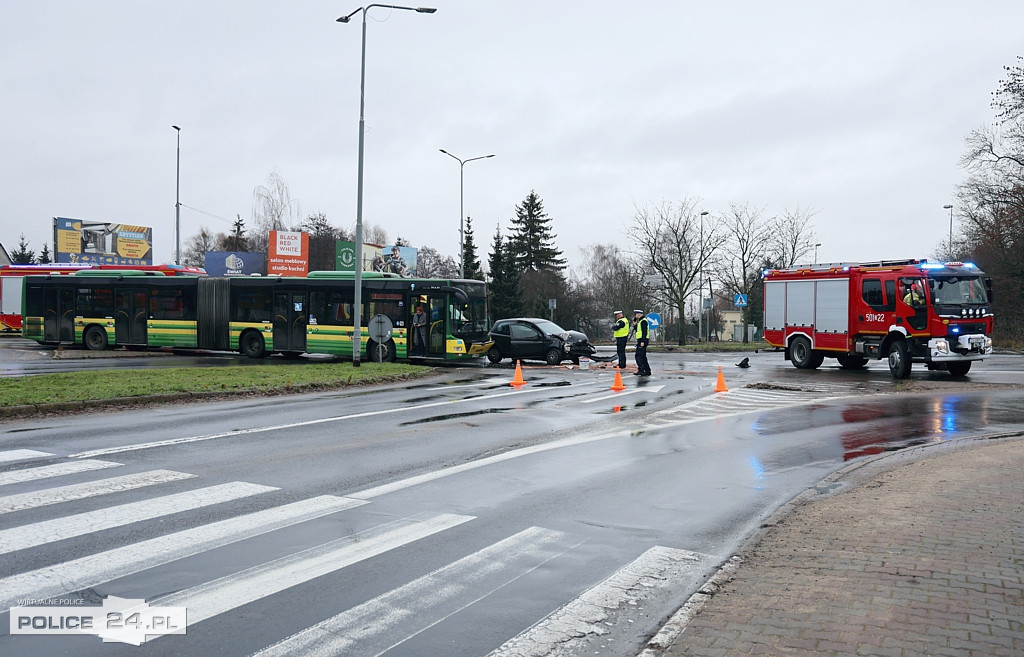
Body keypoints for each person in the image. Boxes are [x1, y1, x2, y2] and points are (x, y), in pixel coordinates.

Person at [632, 309, 651, 376]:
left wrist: (642, 341)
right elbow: (638, 330)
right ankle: (647, 370)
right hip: (641, 340)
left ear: (639, 314)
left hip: (642, 340)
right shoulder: (641, 321)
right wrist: (635, 325)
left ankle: (642, 369)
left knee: (639, 356)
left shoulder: (643, 321)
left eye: (636, 314)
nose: (635, 316)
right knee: (642, 356)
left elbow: (644, 332)